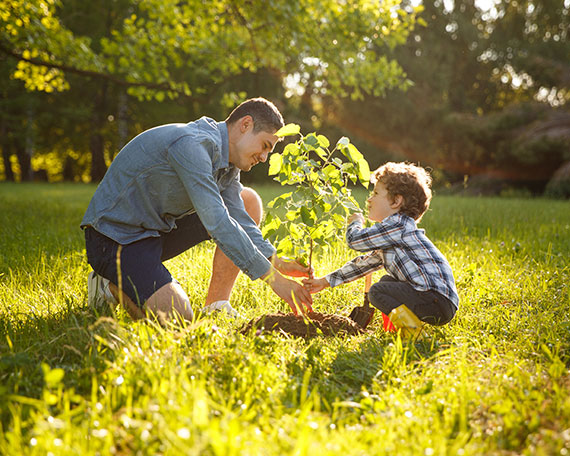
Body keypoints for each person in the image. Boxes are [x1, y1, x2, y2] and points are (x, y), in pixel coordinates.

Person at [81, 97, 313, 323]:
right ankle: (108, 287)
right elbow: (218, 222)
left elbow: (239, 217)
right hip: (114, 239)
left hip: (154, 232)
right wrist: (274, 280)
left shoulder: (229, 164)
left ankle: (216, 306)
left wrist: (276, 261)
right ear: (245, 125)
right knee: (179, 319)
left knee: (247, 201)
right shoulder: (192, 145)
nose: (264, 157)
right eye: (265, 146)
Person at [303, 162, 458, 328]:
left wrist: (355, 222)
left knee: (377, 291)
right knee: (386, 282)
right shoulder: (394, 235)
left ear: (396, 201)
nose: (369, 199)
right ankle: (395, 329)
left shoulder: (398, 225)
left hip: (434, 299)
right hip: (438, 301)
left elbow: (355, 240)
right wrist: (324, 282)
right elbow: (363, 265)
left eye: (376, 193)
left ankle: (411, 330)